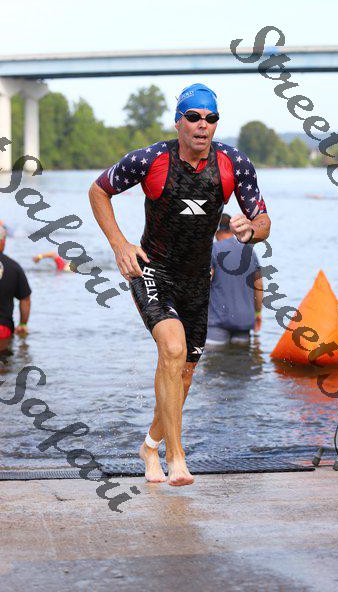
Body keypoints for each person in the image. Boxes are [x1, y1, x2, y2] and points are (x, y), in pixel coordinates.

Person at [89, 83, 271, 486]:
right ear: (178, 122)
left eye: (211, 118)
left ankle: (150, 445)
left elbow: (263, 220)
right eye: (194, 117)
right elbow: (99, 190)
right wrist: (120, 245)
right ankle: (176, 457)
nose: (203, 125)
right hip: (152, 270)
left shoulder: (234, 163)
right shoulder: (150, 159)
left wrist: (251, 230)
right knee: (172, 348)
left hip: (198, 280)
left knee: (184, 374)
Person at [207, 213, 263, 346]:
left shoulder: (213, 250)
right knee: (241, 357)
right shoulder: (250, 251)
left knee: (214, 358)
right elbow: (259, 285)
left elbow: (204, 282)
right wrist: (257, 313)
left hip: (217, 322)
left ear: (215, 231)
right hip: (244, 321)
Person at [0, 225, 31, 345]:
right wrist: (23, 324)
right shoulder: (13, 267)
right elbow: (25, 299)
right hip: (3, 328)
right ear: (3, 241)